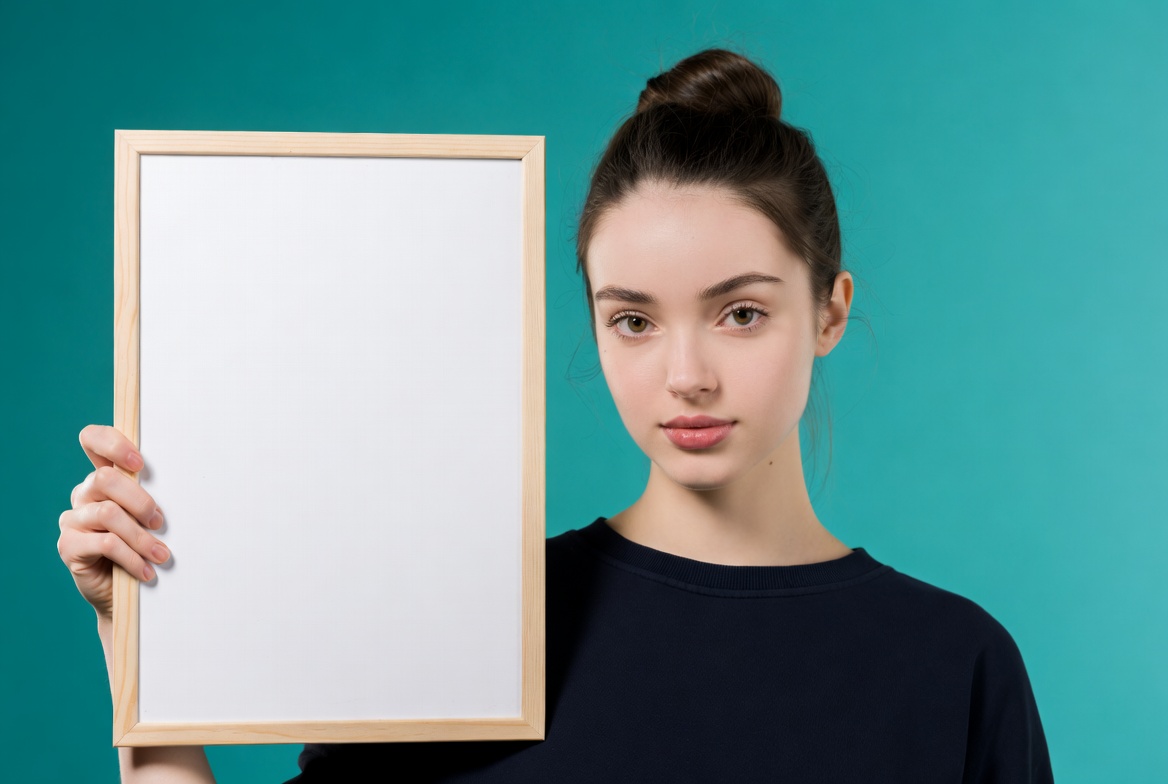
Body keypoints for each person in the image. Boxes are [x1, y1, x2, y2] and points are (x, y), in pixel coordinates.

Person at [58, 48, 1054, 783]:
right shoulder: (463, 625)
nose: (686, 374)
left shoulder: (954, 666)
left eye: (740, 312)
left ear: (828, 310)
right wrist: (147, 645)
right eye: (633, 320)